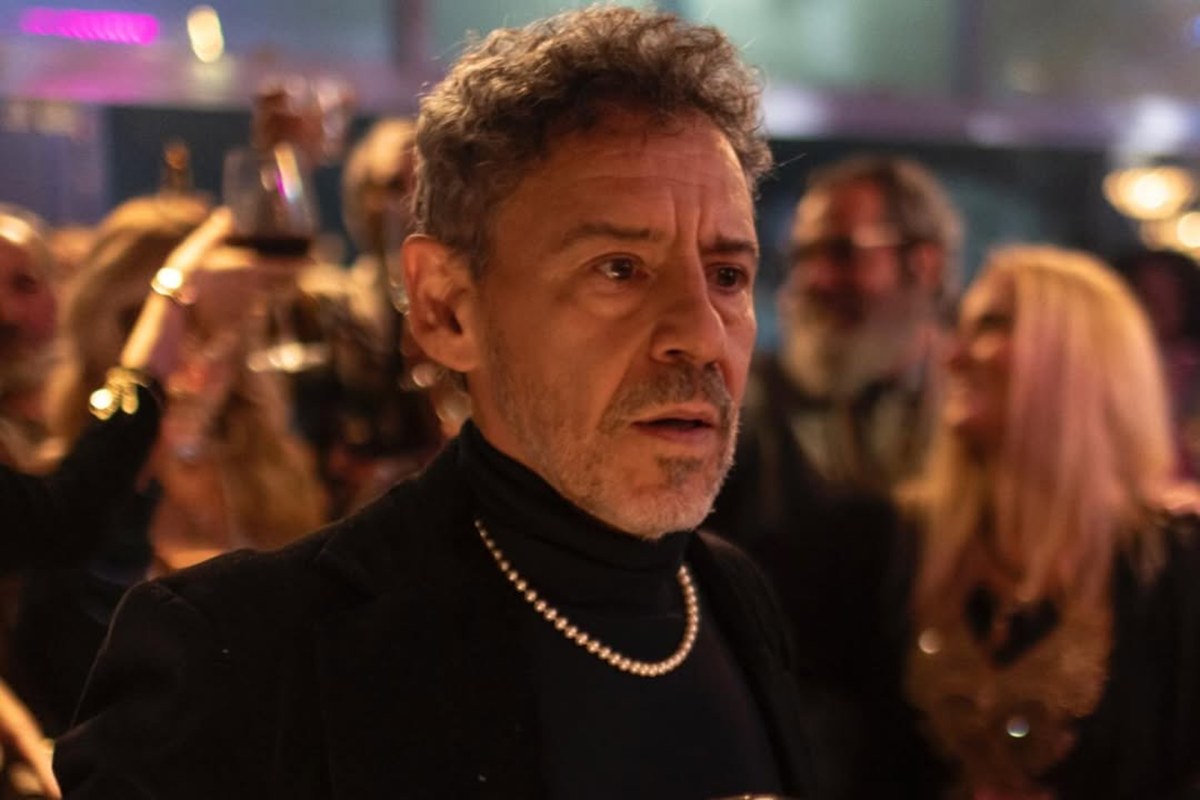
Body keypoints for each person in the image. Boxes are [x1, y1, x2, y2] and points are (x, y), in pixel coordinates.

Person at [54, 7, 849, 799]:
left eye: (728, 275)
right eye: (618, 268)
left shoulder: (734, 601)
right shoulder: (245, 658)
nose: (701, 336)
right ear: (446, 308)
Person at [864, 245, 1200, 797]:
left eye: (991, 326)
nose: (954, 357)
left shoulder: (1173, 568)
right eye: (960, 329)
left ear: (1083, 359)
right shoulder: (891, 541)